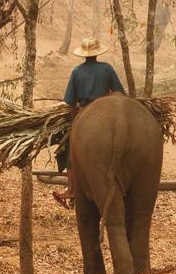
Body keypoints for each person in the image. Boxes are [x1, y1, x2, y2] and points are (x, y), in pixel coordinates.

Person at [52, 37, 125, 209]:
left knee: (69, 149)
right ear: (97, 53)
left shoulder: (77, 72)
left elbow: (70, 102)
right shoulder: (107, 68)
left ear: (84, 55)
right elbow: (119, 93)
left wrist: (75, 121)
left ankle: (72, 188)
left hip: (84, 112)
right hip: (108, 111)